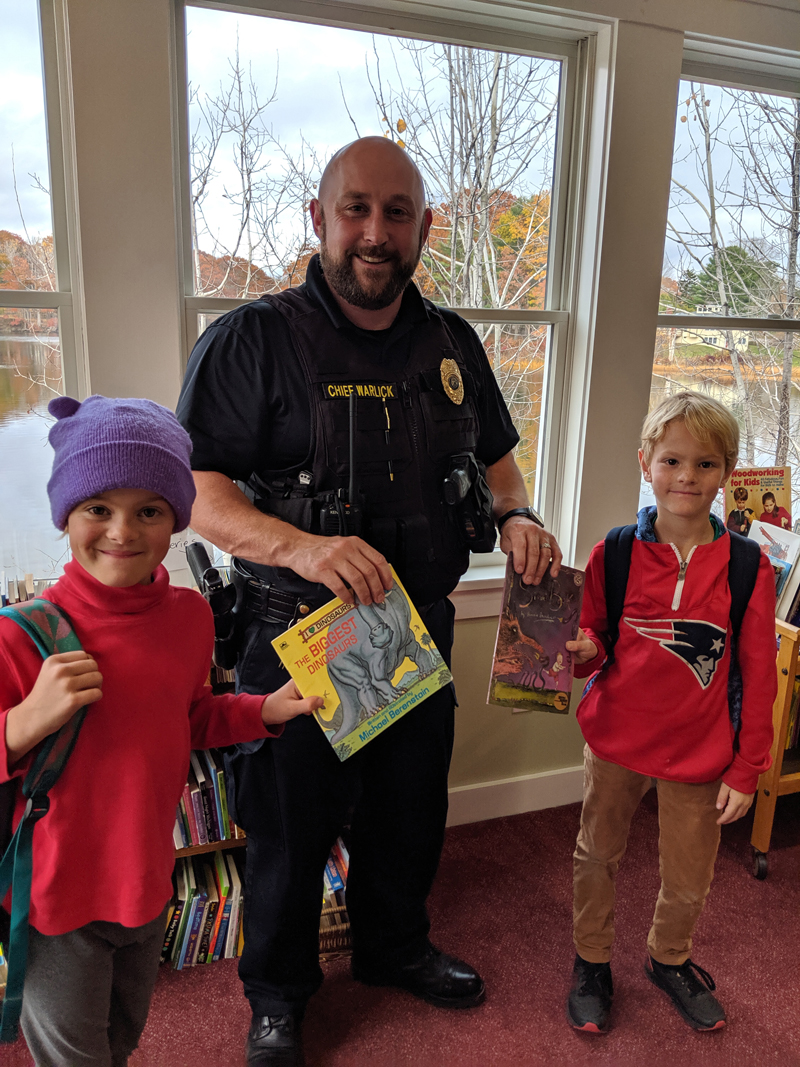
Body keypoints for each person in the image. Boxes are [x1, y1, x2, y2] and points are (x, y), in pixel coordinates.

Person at [177, 135, 561, 1065]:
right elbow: (195, 490)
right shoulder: (250, 339)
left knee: (407, 813)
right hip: (296, 639)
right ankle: (278, 997)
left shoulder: (453, 341)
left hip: (414, 631)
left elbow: (500, 465)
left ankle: (394, 949)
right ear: (319, 219)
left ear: (425, 227)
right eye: (356, 209)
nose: (375, 233)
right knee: (288, 836)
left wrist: (519, 517)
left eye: (397, 213)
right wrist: (304, 547)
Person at [0, 395, 321, 1067]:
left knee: (120, 1041)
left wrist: (261, 710)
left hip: (147, 883)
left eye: (148, 509)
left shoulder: (187, 617)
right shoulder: (20, 635)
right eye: (98, 508)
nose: (122, 530)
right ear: (67, 513)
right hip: (56, 901)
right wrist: (25, 721)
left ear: (175, 517)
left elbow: (190, 714)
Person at [563, 391, 776, 1034]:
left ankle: (669, 958)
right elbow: (595, 640)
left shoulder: (747, 566)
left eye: (706, 464)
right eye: (672, 460)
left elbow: (760, 672)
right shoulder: (616, 552)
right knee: (597, 854)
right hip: (616, 741)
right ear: (645, 463)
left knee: (688, 875)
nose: (687, 476)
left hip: (700, 753)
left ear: (727, 473)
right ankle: (591, 960)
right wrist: (578, 651)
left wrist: (747, 768)